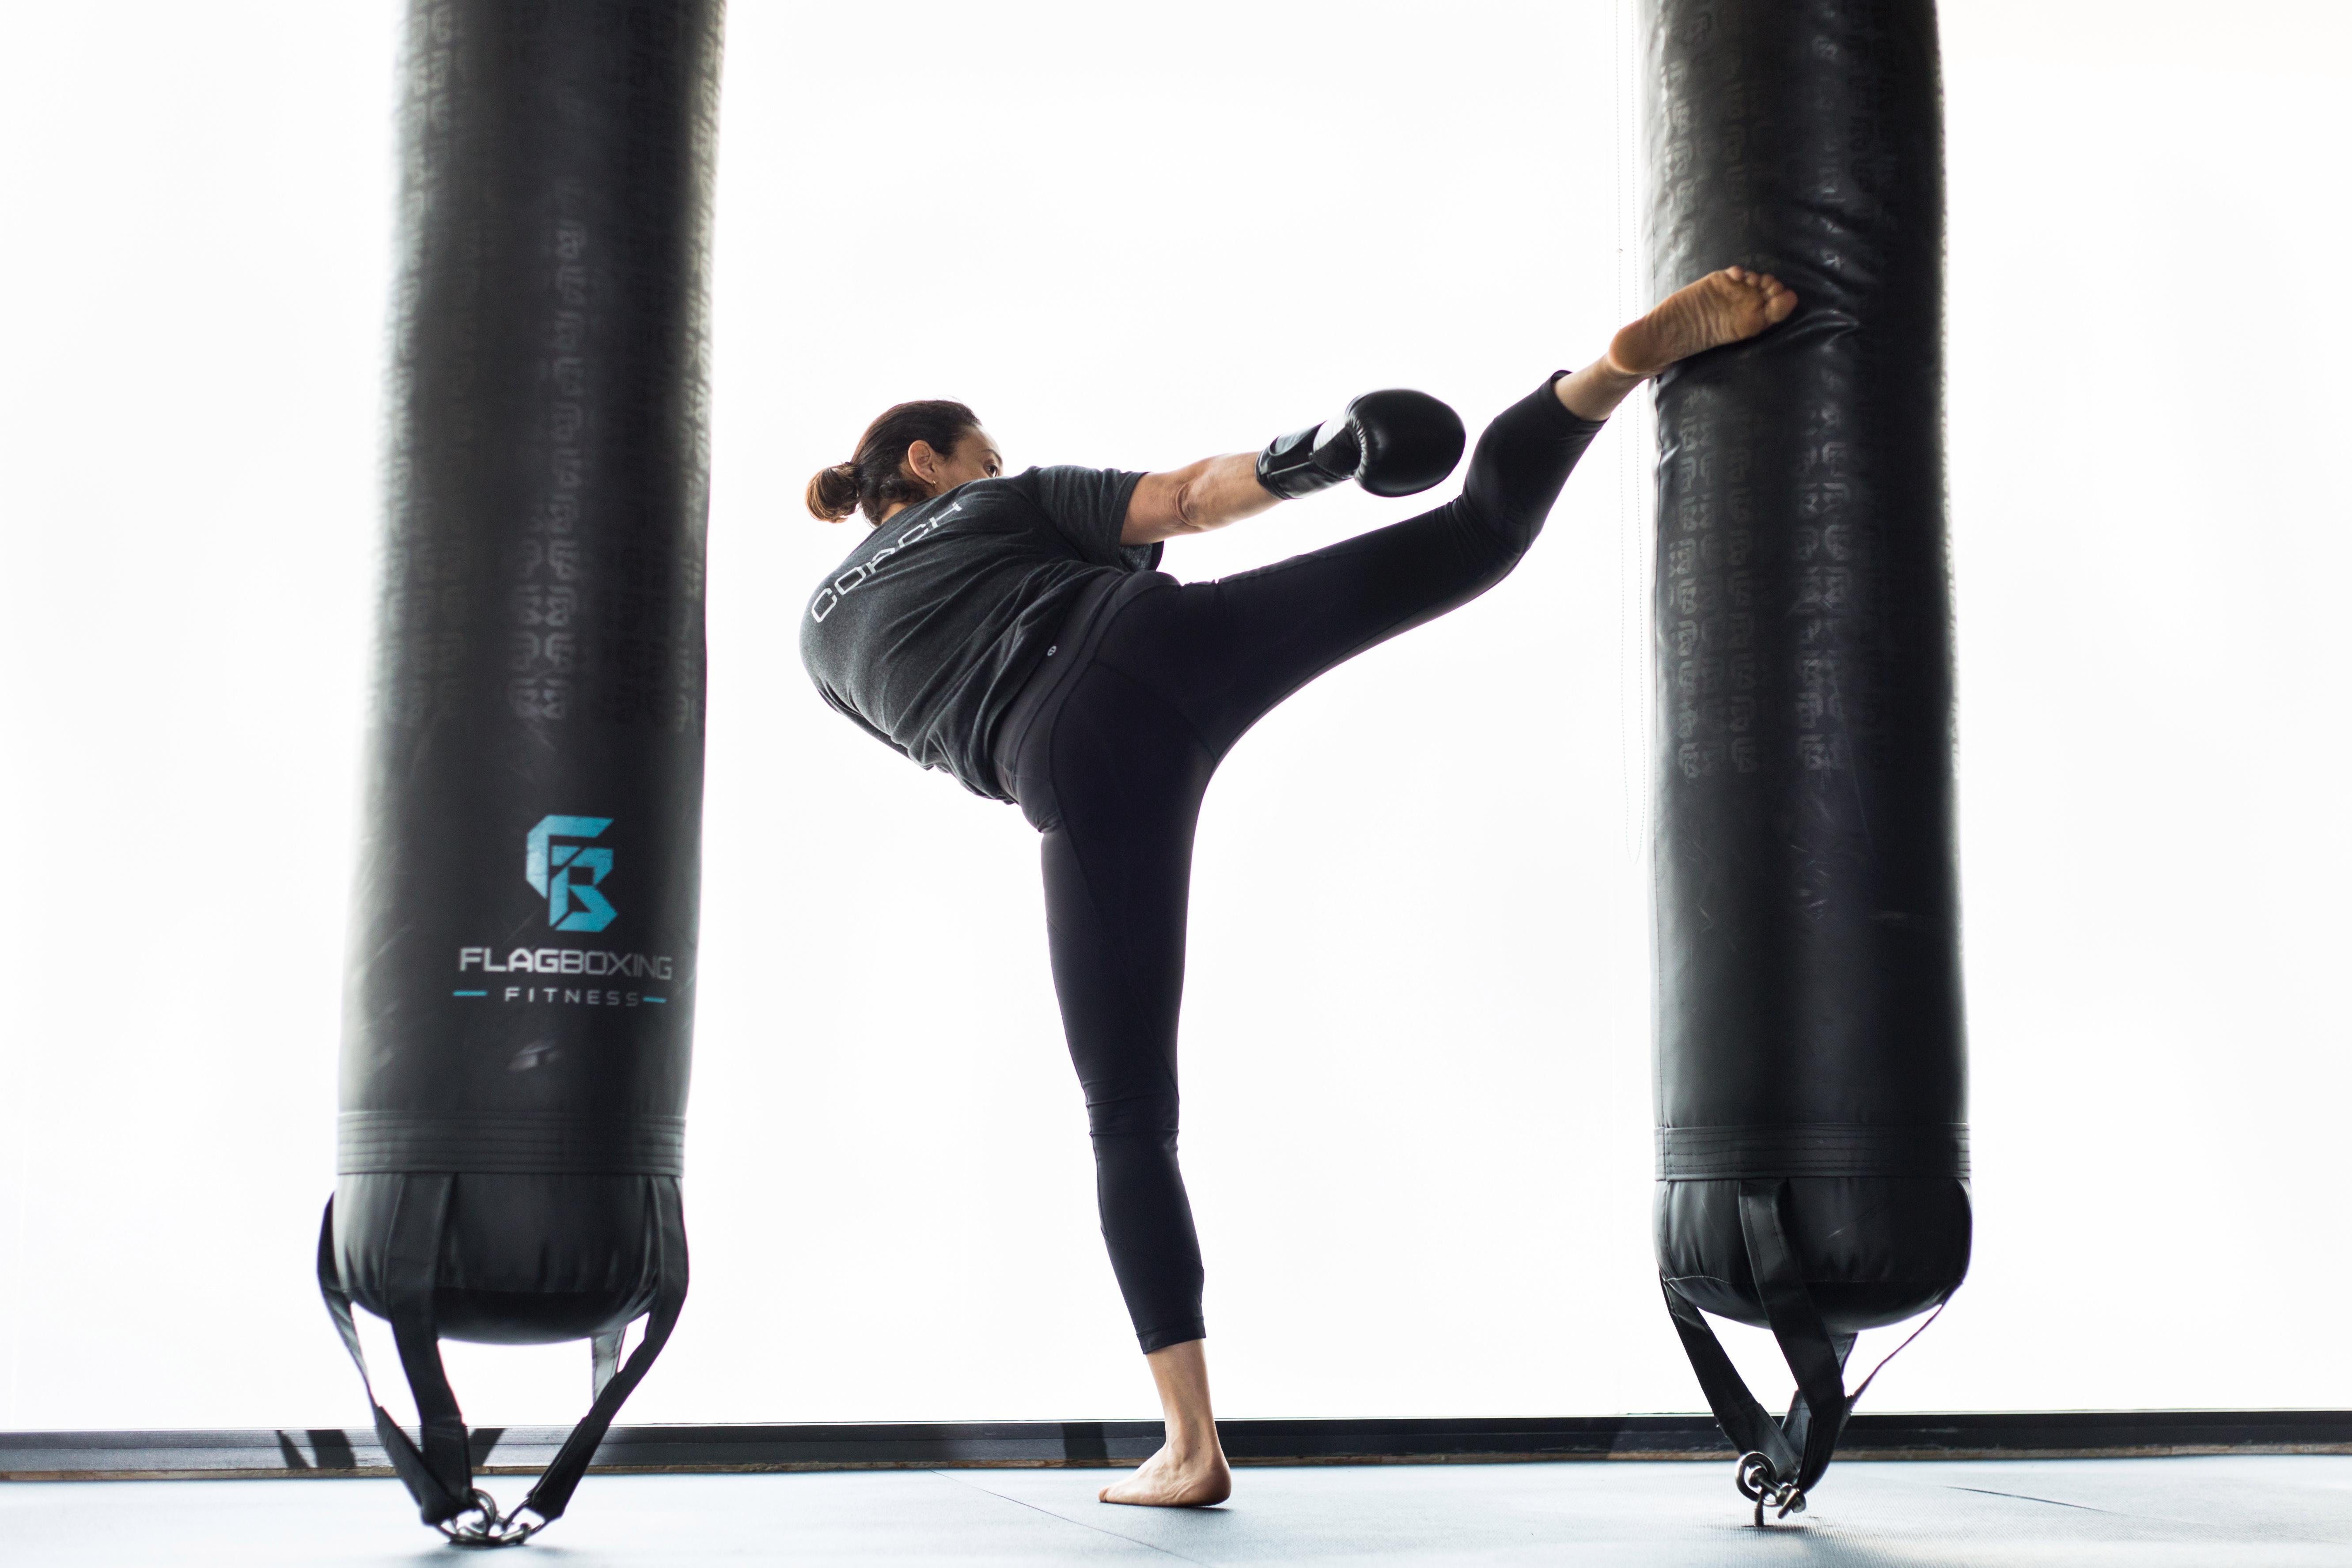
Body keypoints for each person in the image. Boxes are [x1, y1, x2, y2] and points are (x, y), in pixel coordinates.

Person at [799, 267, 1798, 1507]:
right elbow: (1185, 499)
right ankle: (1608, 374)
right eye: (982, 453)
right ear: (928, 460)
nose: (995, 465)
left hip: (1064, 762)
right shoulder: (1003, 502)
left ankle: (1190, 1446)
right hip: (1154, 642)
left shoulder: (818, 644)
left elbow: (945, 743)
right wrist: (1317, 458)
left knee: (1128, 1120)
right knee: (1474, 539)